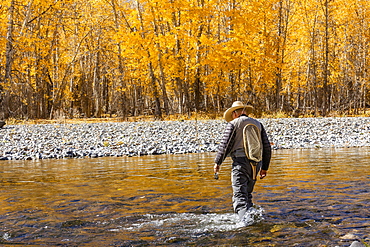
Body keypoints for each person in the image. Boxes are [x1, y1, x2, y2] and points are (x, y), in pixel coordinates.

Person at [214, 101, 271, 222]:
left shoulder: (233, 123)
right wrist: (264, 168)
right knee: (247, 195)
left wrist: (217, 163)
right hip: (256, 165)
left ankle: (244, 224)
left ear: (234, 113)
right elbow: (267, 147)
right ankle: (252, 219)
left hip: (240, 163)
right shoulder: (258, 124)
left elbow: (225, 145)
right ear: (244, 112)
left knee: (240, 196)